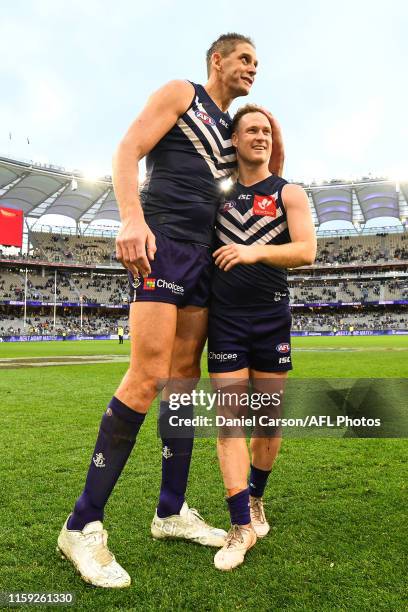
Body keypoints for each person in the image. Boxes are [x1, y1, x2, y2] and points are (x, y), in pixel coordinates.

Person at [57, 33, 284, 588]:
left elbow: (269, 173)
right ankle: (82, 524)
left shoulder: (232, 135)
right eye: (245, 60)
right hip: (164, 246)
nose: (253, 68)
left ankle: (170, 510)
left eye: (257, 62)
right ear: (218, 60)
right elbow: (127, 149)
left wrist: (271, 129)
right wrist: (131, 219)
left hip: (204, 261)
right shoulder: (181, 94)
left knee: (183, 380)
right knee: (148, 375)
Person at [207, 105, 316, 570]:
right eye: (251, 129)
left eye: (266, 130)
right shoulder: (218, 196)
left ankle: (255, 497)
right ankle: (239, 527)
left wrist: (253, 253)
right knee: (229, 424)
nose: (261, 136)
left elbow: (306, 250)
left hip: (272, 318)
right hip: (225, 319)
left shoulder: (288, 192)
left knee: (268, 424)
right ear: (234, 140)